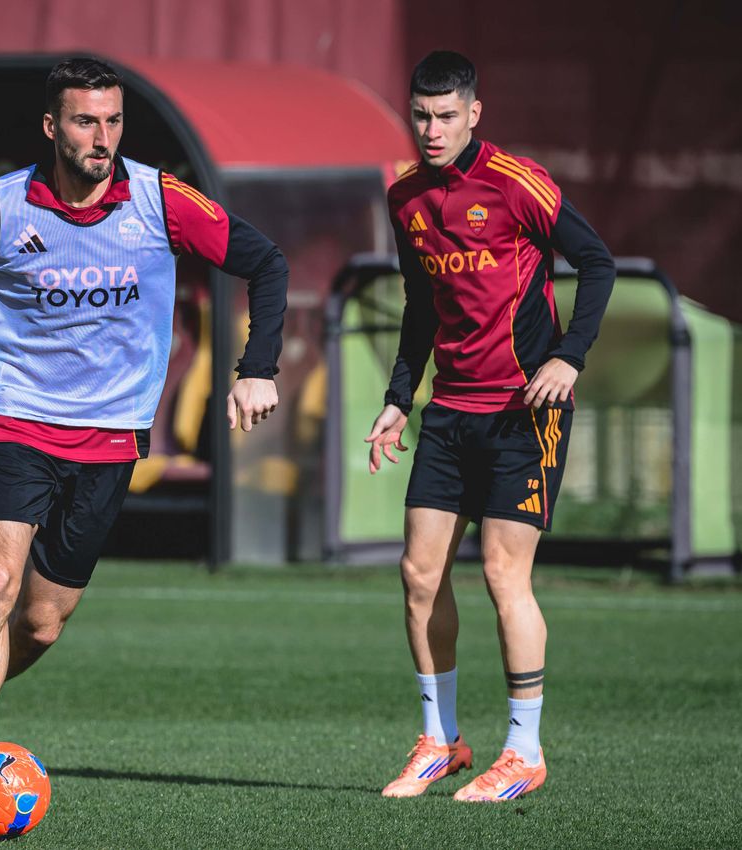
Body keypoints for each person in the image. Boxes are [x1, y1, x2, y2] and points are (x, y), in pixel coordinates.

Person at [0, 57, 288, 828]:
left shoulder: (160, 201)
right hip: (15, 422)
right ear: (51, 126)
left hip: (109, 438)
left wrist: (255, 368)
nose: (101, 138)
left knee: (39, 622)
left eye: (112, 122)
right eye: (84, 121)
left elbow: (265, 262)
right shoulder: (0, 207)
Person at [365, 50, 614, 803]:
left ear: (474, 113)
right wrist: (397, 398)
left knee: (504, 575)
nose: (431, 130)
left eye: (445, 116)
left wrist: (569, 357)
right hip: (448, 413)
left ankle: (523, 752)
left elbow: (596, 264)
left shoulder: (517, 183)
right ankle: (440, 742)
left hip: (522, 414)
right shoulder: (405, 196)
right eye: (420, 116)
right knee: (417, 576)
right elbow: (417, 306)